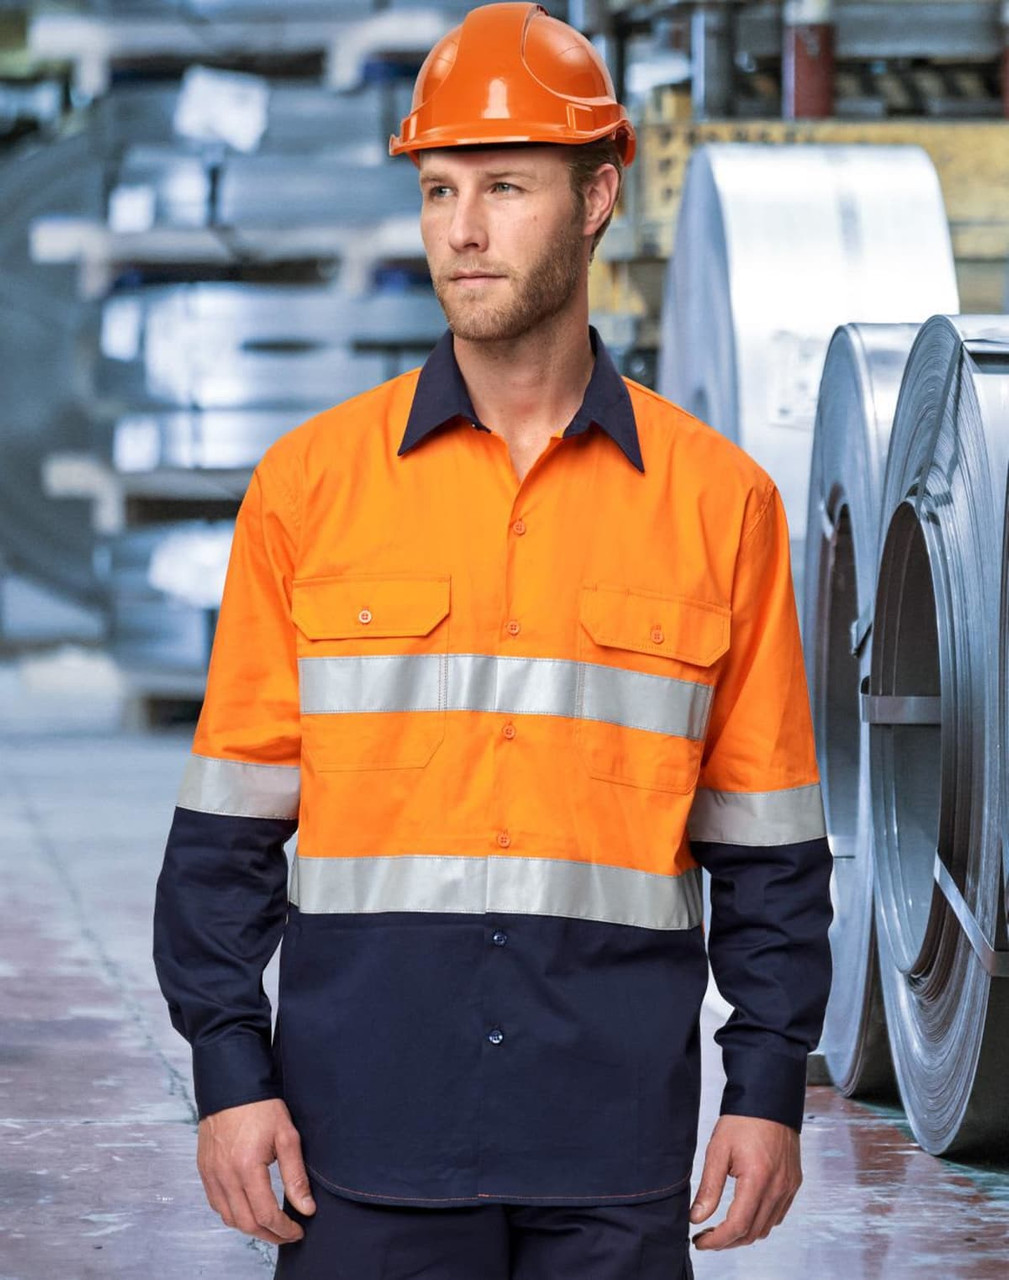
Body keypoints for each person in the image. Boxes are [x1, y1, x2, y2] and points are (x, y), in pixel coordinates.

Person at [152, 4, 833, 1277]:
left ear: (596, 198)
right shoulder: (309, 489)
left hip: (613, 1155)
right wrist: (227, 1070)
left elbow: (770, 848)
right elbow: (227, 825)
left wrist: (766, 1082)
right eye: (438, 188)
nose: (461, 230)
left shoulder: (718, 502)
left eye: (506, 186)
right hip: (357, 1146)